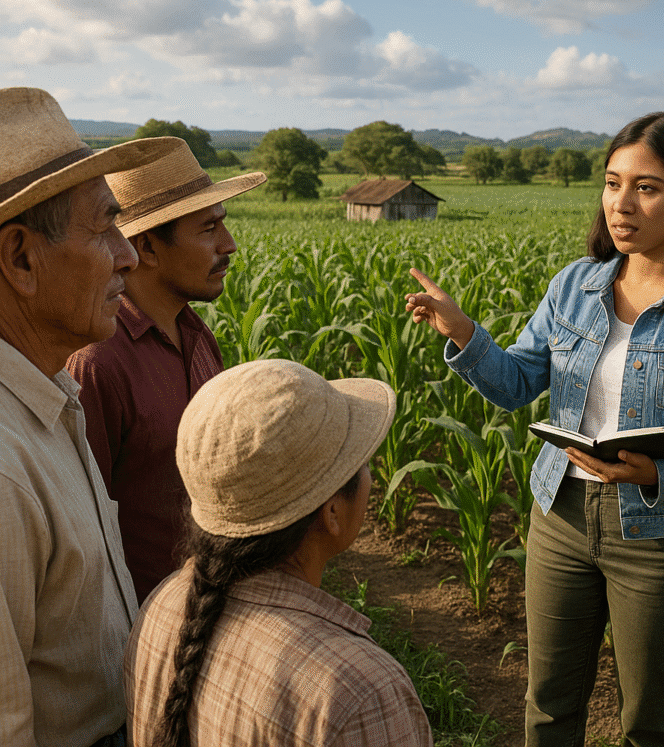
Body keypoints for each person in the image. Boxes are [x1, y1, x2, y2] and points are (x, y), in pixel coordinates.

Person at [405, 112, 664, 746]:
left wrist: (662, 471)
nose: (621, 204)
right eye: (611, 182)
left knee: (650, 719)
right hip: (561, 516)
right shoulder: (574, 284)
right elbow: (518, 383)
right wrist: (463, 333)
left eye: (647, 187)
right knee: (548, 703)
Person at [124, 359, 434, 747]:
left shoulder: (164, 604)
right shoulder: (359, 695)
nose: (370, 476)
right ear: (332, 513)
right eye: (361, 462)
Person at [0, 87, 180, 746]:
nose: (128, 255)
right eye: (104, 226)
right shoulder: (3, 467)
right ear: (20, 258)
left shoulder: (49, 393)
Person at [66, 142, 266, 604]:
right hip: (139, 628)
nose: (228, 244)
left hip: (206, 609)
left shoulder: (197, 335)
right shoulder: (98, 364)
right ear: (147, 247)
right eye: (209, 228)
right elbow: (82, 531)